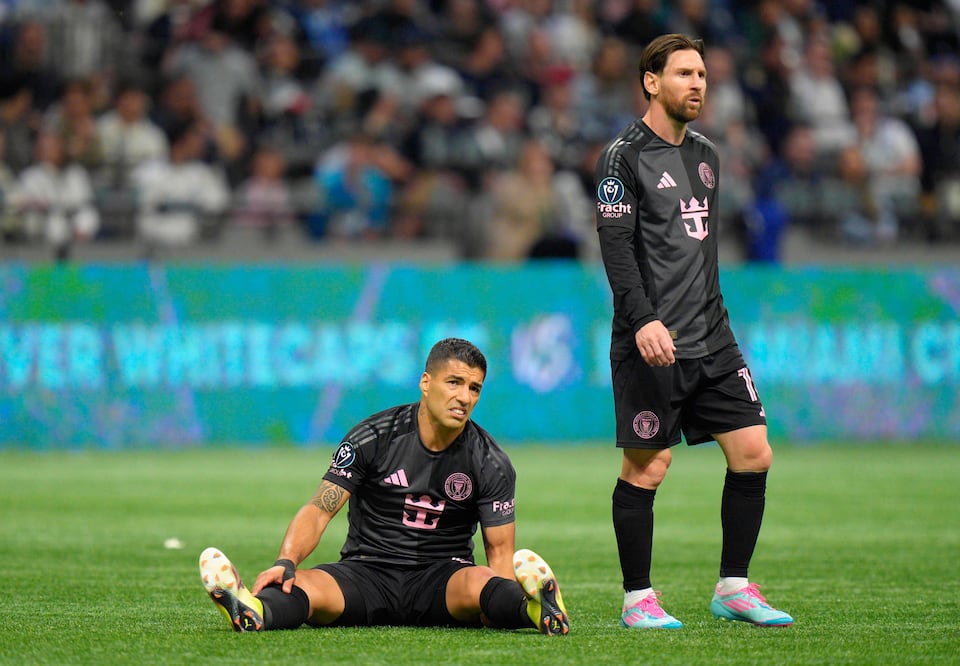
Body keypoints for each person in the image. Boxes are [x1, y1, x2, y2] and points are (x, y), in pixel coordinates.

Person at [593, 34, 793, 630]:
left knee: (754, 452)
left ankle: (734, 587)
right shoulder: (622, 157)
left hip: (713, 336)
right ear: (651, 82)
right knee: (648, 466)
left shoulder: (707, 155)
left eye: (702, 74)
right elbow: (617, 250)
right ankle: (637, 600)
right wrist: (643, 319)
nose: (697, 83)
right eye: (684, 73)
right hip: (651, 342)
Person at [199, 338, 569, 636]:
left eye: (475, 388)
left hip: (443, 579)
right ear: (426, 383)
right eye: (454, 382)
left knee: (483, 582)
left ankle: (537, 610)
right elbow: (320, 509)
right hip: (367, 572)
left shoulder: (490, 461)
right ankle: (254, 610)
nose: (464, 397)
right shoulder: (373, 437)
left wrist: (497, 605)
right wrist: (286, 561)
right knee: (303, 586)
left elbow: (500, 552)